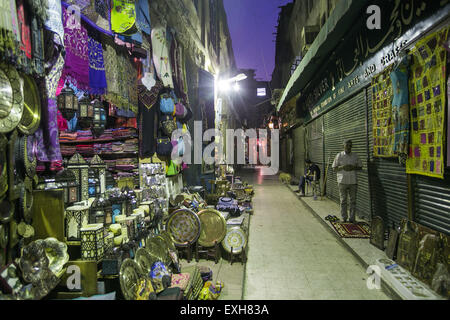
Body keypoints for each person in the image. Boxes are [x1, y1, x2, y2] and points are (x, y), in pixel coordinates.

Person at [332, 139, 363, 223]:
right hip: (342, 181)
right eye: (347, 146)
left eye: (350, 146)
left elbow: (360, 167)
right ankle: (344, 218)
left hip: (353, 181)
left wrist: (353, 167)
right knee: (343, 200)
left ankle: (352, 219)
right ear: (343, 146)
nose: (348, 147)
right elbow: (334, 168)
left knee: (353, 201)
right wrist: (342, 167)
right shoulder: (339, 156)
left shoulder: (355, 156)